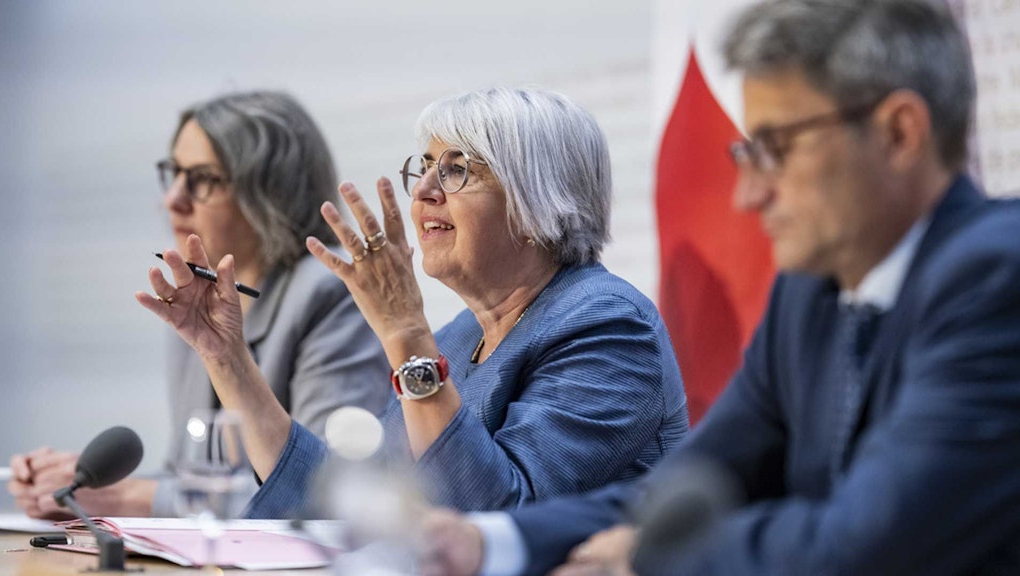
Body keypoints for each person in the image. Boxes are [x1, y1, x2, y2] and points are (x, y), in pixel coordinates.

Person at [418, 0, 1020, 574]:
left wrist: (652, 556)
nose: (748, 195)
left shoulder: (997, 278)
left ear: (898, 134)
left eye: (776, 149)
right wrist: (486, 543)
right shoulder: (809, 295)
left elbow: (872, 543)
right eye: (747, 152)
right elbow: (690, 484)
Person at [138, 87, 690, 517]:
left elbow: (500, 516)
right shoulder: (458, 336)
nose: (424, 188)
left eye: (456, 169)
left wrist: (403, 329)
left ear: (536, 195)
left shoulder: (609, 325)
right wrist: (226, 358)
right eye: (424, 166)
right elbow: (343, 505)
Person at [8, 91, 390, 519]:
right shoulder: (196, 296)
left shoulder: (327, 294)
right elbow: (191, 475)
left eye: (203, 178)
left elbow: (330, 492)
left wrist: (129, 498)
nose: (173, 199)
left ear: (271, 191)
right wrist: (78, 482)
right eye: (174, 173)